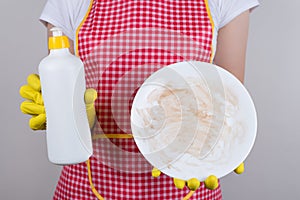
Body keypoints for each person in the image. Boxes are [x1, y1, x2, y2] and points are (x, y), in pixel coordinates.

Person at [20, 0, 259, 199]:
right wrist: (63, 112)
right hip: (87, 186)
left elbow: (230, 99)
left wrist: (222, 146)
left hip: (188, 177)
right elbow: (62, 78)